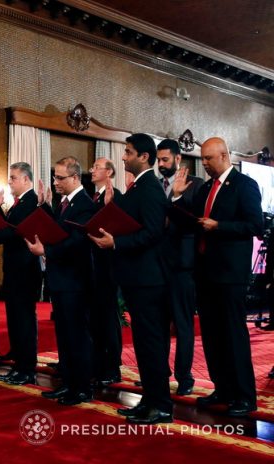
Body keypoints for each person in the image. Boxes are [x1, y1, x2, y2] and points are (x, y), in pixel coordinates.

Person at [173, 137, 262, 417]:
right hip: (205, 272)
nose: (205, 164)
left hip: (230, 274)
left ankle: (244, 396)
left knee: (234, 335)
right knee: (211, 335)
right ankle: (222, 388)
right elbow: (191, 221)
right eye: (203, 159)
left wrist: (219, 226)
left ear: (223, 155)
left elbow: (254, 225)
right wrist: (176, 198)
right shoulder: (206, 188)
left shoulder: (245, 185)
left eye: (209, 159)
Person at [90, 133, 173, 424]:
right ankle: (149, 401)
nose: (123, 157)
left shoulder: (150, 188)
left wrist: (117, 244)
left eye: (128, 152)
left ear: (144, 157)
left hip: (149, 280)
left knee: (151, 344)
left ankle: (161, 405)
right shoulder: (139, 187)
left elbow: (153, 232)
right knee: (143, 344)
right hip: (137, 278)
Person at [26, 157, 96, 405]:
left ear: (75, 178)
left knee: (77, 336)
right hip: (61, 279)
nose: (55, 182)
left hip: (75, 281)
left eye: (60, 178)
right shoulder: (63, 203)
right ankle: (67, 384)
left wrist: (45, 251)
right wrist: (44, 207)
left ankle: (82, 388)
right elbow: (57, 231)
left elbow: (77, 241)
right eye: (55, 177)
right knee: (65, 336)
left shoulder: (85, 204)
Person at [0, 162, 41, 386]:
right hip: (14, 269)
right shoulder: (19, 203)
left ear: (26, 180)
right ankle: (19, 367)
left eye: (13, 178)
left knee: (24, 322)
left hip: (25, 271)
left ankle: (27, 369)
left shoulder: (32, 202)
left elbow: (15, 231)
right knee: (15, 321)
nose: (9, 182)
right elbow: (6, 225)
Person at [157, 139, 204, 395]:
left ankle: (184, 378)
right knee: (160, 325)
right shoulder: (154, 185)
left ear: (177, 159)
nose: (161, 164)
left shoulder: (196, 185)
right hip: (157, 265)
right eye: (158, 160)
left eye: (165, 160)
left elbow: (193, 223)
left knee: (183, 325)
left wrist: (176, 196)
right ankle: (159, 374)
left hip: (183, 266)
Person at [88, 157, 123, 387]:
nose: (92, 170)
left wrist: (110, 206)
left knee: (109, 317)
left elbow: (118, 227)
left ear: (109, 172)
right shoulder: (94, 197)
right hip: (93, 265)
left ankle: (112, 366)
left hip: (108, 266)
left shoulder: (115, 196)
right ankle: (98, 363)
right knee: (96, 318)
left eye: (97, 167)